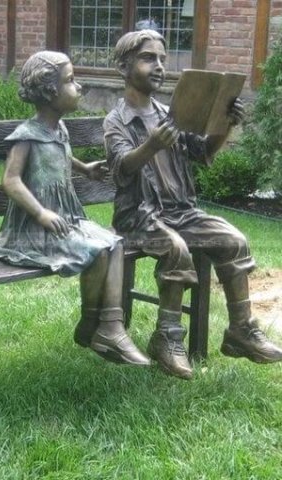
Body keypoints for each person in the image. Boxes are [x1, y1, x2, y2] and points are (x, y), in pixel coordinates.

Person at [104, 29, 282, 379]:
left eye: (162, 59)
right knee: (176, 249)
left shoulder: (170, 114)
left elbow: (202, 153)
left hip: (181, 212)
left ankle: (240, 331)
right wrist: (152, 145)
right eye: (148, 58)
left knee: (234, 240)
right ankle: (167, 338)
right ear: (124, 67)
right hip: (139, 218)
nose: (158, 66)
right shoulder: (117, 121)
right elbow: (121, 169)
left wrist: (225, 125)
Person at [0, 50, 150, 366]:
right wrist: (41, 213)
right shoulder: (27, 135)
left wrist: (84, 169)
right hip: (34, 230)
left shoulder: (58, 130)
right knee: (96, 251)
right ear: (50, 92)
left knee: (114, 243)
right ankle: (91, 322)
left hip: (66, 218)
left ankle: (110, 325)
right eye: (71, 80)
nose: (79, 87)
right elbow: (10, 181)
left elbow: (59, 156)